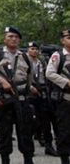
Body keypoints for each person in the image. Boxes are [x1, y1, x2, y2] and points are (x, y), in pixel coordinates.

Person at [0, 26, 35, 164]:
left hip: (22, 99)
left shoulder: (25, 56)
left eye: (16, 37)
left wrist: (27, 91)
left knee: (25, 132)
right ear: (4, 39)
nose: (13, 39)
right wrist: (1, 81)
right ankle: (5, 160)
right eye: (10, 36)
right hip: (5, 100)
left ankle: (28, 159)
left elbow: (29, 76)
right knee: (5, 133)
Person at [26, 41, 58, 157]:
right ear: (28, 50)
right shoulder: (23, 61)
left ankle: (49, 146)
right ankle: (29, 148)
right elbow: (19, 77)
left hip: (42, 92)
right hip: (29, 94)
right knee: (31, 121)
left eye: (36, 49)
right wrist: (30, 87)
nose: (34, 51)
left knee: (46, 120)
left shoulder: (41, 62)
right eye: (32, 49)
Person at [46, 29, 70, 164]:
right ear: (62, 40)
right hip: (65, 100)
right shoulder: (58, 55)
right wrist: (66, 82)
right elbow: (49, 73)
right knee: (64, 132)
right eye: (69, 37)